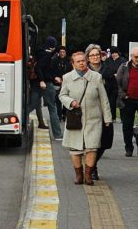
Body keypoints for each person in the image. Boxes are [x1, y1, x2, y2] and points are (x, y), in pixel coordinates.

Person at [59, 50, 113, 186]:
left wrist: (107, 119)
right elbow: (62, 95)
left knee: (92, 148)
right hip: (75, 120)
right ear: (73, 64)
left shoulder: (96, 77)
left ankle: (88, 175)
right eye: (78, 61)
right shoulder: (67, 77)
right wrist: (70, 102)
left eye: (83, 60)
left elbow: (104, 99)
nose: (82, 63)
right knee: (75, 149)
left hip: (94, 119)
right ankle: (79, 175)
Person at [86, 43, 118, 180]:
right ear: (88, 58)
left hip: (105, 110)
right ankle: (91, 168)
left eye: (97, 55)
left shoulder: (108, 71)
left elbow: (114, 90)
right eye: (92, 55)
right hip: (88, 112)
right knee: (91, 142)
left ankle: (92, 164)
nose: (95, 57)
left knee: (104, 142)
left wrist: (109, 106)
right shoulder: (84, 72)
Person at [29, 36, 63, 140]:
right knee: (52, 108)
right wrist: (43, 80)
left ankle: (21, 124)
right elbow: (40, 67)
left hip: (35, 83)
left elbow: (38, 67)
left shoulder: (39, 52)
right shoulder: (48, 55)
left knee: (31, 106)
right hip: (46, 84)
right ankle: (57, 134)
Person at [52, 45, 72, 120]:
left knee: (66, 99)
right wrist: (55, 78)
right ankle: (59, 116)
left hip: (66, 83)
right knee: (58, 100)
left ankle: (64, 114)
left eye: (63, 52)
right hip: (57, 83)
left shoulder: (68, 62)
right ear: (58, 53)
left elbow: (70, 72)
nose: (62, 53)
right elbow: (52, 71)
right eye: (61, 52)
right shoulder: (55, 61)